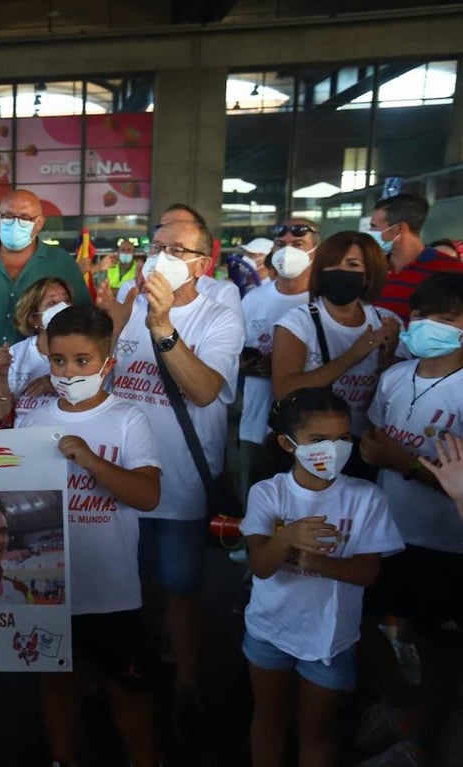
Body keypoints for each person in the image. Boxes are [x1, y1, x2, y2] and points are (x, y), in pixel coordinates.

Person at [98, 214, 243, 724]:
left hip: (180, 481)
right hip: (123, 477)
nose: (162, 257)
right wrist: (114, 326)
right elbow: (102, 378)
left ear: (202, 265)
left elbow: (203, 390)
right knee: (127, 587)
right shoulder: (129, 305)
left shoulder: (219, 317)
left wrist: (162, 325)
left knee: (181, 587)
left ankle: (186, 682)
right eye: (156, 246)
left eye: (177, 250)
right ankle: (127, 673)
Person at [19, 304, 163, 767]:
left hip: (113, 591)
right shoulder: (32, 421)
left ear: (107, 363)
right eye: (58, 360)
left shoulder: (127, 418)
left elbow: (148, 495)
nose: (68, 372)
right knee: (56, 682)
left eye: (82, 360)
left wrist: (91, 460)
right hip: (50, 589)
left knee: (128, 687)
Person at [242, 387, 402, 767]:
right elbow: (260, 566)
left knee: (316, 731)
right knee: (268, 718)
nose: (333, 449)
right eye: (318, 440)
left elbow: (368, 573)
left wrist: (315, 562)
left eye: (343, 438)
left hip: (329, 639)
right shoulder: (268, 493)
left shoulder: (366, 498)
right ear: (287, 443)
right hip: (269, 628)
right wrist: (286, 538)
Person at [359, 273, 463, 765]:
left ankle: (424, 740)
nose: (427, 326)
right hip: (388, 530)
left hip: (445, 542)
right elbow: (378, 435)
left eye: (446, 318)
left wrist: (403, 463)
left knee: (439, 646)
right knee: (370, 621)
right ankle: (400, 708)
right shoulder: (395, 377)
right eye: (420, 316)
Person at [0, 188, 86, 431]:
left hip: (39, 394)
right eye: (8, 216)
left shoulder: (61, 263)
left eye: (24, 217)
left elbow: (84, 327)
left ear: (39, 223)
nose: (15, 223)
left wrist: (60, 376)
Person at [271, 231, 401, 478]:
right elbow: (285, 390)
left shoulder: (386, 321)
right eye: (331, 264)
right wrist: (353, 355)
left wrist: (390, 356)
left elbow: (396, 388)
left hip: (363, 446)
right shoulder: (298, 321)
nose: (340, 271)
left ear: (370, 273)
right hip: (309, 446)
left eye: (352, 264)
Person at [237, 220, 319, 501]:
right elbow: (235, 352)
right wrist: (249, 364)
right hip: (255, 424)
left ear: (315, 252)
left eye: (298, 245)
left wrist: (286, 362)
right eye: (281, 245)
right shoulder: (254, 299)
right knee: (254, 502)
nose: (288, 252)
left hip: (307, 430)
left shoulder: (321, 302)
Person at [0, 277, 72, 427]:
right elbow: (1, 413)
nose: (63, 307)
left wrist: (57, 385)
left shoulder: (82, 350)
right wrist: (2, 376)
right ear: (34, 319)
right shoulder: (17, 354)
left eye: (66, 300)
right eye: (52, 303)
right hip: (23, 436)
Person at [370, 193, 463, 322]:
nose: (370, 232)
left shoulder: (451, 270)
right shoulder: (370, 267)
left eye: (374, 226)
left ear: (399, 228)